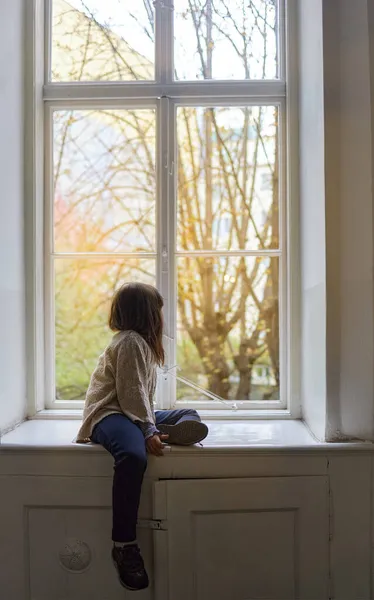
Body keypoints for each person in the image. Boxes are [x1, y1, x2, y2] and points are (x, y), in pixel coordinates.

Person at [76, 282, 208, 591]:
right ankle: (124, 545)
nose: (162, 317)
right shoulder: (129, 342)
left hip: (132, 412)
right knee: (133, 457)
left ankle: (167, 430)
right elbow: (129, 392)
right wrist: (146, 428)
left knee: (188, 415)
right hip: (108, 413)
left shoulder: (142, 345)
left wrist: (148, 421)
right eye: (158, 311)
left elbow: (139, 398)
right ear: (147, 314)